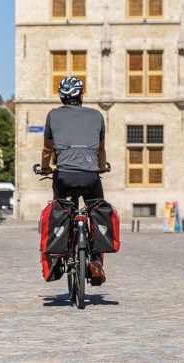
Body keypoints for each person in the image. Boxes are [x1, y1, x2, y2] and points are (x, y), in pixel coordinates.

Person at [36, 76, 109, 285]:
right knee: (96, 210)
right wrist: (102, 166)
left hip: (64, 175)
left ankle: (59, 249)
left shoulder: (53, 115)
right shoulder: (96, 115)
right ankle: (95, 259)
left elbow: (47, 149)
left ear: (61, 97)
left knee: (59, 207)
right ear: (81, 95)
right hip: (91, 176)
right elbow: (101, 149)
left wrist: (44, 168)